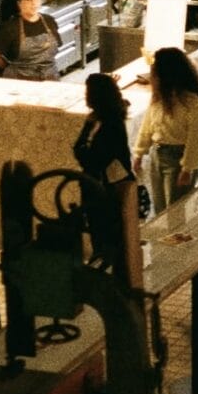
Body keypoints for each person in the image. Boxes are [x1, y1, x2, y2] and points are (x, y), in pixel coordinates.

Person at [73, 72, 138, 274]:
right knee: (104, 229)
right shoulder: (106, 117)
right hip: (102, 184)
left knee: (105, 230)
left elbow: (92, 157)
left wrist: (83, 145)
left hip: (105, 187)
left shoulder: (109, 124)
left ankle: (107, 268)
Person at [132, 47, 198, 213]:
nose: (152, 77)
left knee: (176, 211)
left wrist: (188, 168)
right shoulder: (160, 98)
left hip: (179, 158)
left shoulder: (193, 103)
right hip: (157, 154)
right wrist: (139, 153)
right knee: (160, 209)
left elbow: (197, 139)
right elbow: (147, 126)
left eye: (155, 73)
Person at [0, 0, 61, 81]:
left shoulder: (49, 21)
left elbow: (57, 45)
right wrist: (13, 69)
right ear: (19, 3)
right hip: (22, 81)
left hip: (50, 78)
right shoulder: (10, 28)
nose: (33, 2)